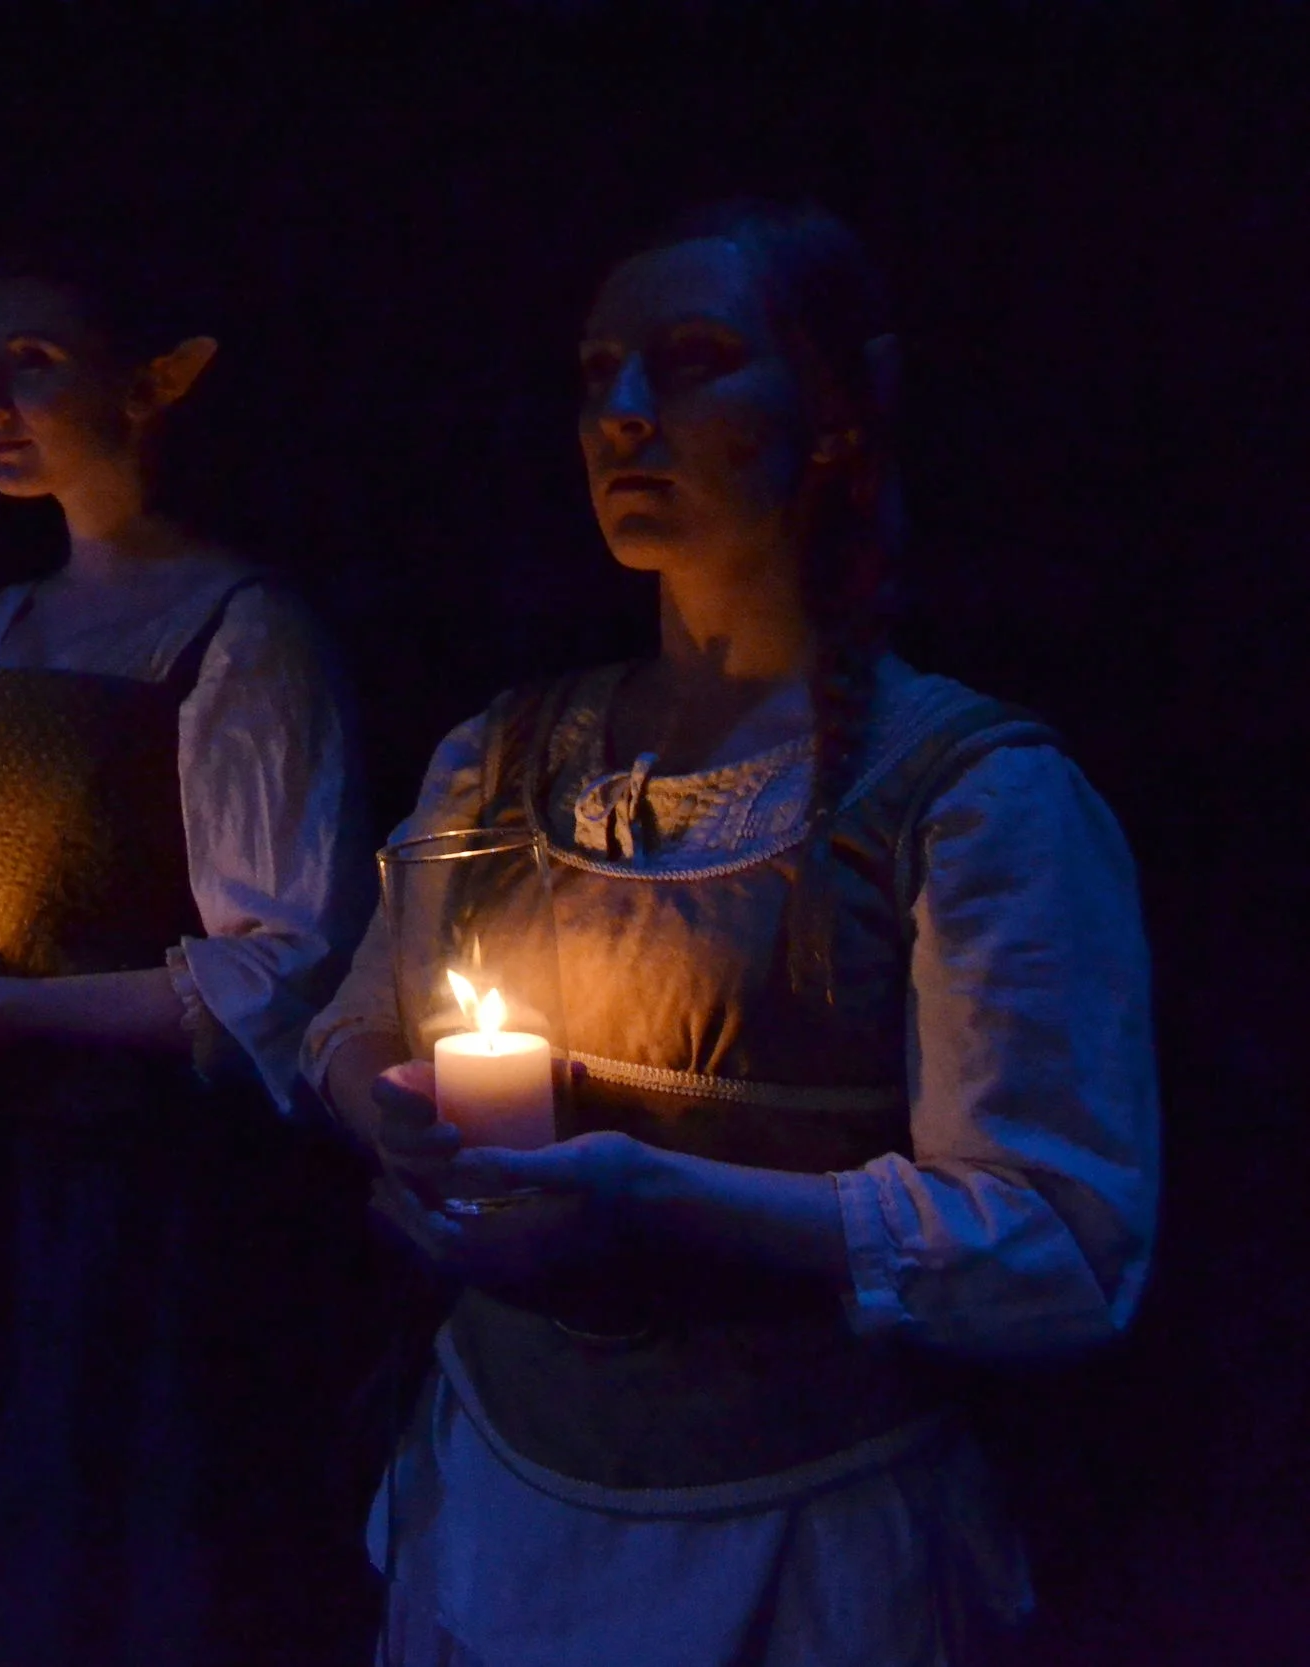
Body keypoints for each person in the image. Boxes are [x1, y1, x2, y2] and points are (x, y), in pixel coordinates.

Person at [302, 201, 1159, 1665]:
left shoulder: (969, 798)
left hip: (801, 1545)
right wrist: (393, 1130)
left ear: (835, 417)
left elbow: (1058, 1240)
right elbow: (357, 1021)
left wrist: (652, 1197)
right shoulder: (501, 758)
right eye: (597, 374)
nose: (623, 413)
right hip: (500, 1502)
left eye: (692, 360)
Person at [0, 232, 383, 1666]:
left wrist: (9, 1017)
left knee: (117, 1553)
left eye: (36, 362)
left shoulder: (239, 632)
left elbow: (284, 963)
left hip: (137, 1191)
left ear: (155, 384)